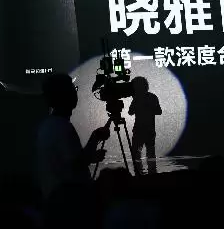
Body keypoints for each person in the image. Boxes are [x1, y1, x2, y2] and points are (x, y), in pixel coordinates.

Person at [36, 73, 110, 201]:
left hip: (61, 198)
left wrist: (95, 137)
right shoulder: (61, 127)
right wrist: (93, 156)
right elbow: (76, 164)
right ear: (65, 95)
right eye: (73, 89)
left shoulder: (50, 125)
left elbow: (73, 159)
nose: (75, 93)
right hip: (69, 200)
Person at [128, 77, 162, 175]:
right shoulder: (153, 97)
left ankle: (139, 174)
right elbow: (159, 111)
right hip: (149, 130)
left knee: (137, 153)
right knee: (150, 153)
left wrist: (138, 103)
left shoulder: (137, 98)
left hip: (139, 130)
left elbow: (130, 112)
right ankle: (152, 173)